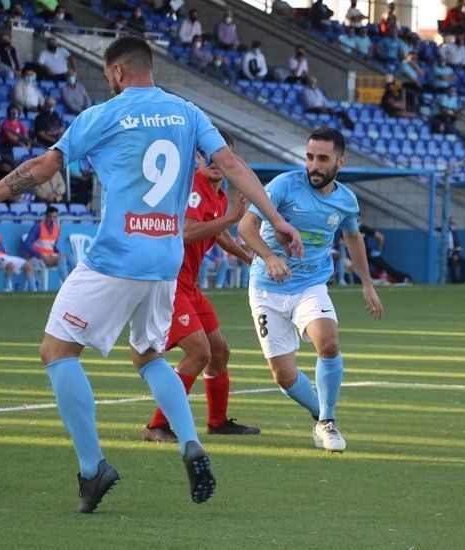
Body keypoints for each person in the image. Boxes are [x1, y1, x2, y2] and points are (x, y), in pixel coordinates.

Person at [0, 35, 301, 514]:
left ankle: (93, 469)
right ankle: (189, 442)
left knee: (57, 351)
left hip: (114, 257)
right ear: (149, 68)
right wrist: (275, 219)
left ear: (114, 72)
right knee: (149, 354)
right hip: (164, 262)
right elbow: (231, 164)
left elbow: (42, 167)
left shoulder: (103, 115)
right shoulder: (187, 112)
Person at [237, 127, 382, 453]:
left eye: (322, 158)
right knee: (284, 376)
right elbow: (246, 226)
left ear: (339, 162)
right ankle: (319, 415)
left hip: (309, 285)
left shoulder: (346, 200)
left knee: (328, 340)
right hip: (266, 288)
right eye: (310, 157)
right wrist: (271, 257)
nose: (314, 165)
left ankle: (328, 421)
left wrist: (368, 285)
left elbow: (353, 238)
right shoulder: (284, 186)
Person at [144, 130, 259, 442]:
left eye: (219, 154)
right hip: (168, 282)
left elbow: (217, 232)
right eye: (205, 153)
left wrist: (248, 256)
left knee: (219, 351)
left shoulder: (219, 196)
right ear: (197, 158)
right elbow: (188, 231)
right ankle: (157, 425)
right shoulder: (193, 186)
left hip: (188, 285)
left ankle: (218, 422)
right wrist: (232, 218)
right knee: (199, 352)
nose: (212, 160)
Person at [24, 206, 70, 285]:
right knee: (61, 259)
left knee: (71, 257)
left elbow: (52, 245)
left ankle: (76, 285)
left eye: (54, 217)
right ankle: (67, 286)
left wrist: (58, 252)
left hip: (50, 256)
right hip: (38, 258)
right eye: (50, 216)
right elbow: (27, 244)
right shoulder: (38, 227)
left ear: (57, 217)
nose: (52, 219)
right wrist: (39, 255)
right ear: (45, 216)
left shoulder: (57, 229)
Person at [358, 219, 412, 283]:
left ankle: (403, 278)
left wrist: (379, 251)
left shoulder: (363, 229)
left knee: (385, 266)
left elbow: (381, 237)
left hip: (368, 255)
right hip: (357, 256)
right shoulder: (348, 231)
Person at [446, 216, 465, 284]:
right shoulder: (445, 232)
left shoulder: (455, 233)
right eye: (452, 223)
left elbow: (458, 245)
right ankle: (454, 280)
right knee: (452, 261)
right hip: (446, 255)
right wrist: (453, 251)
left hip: (453, 254)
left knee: (464, 261)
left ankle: (462, 280)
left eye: (454, 223)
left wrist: (456, 254)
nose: (453, 225)